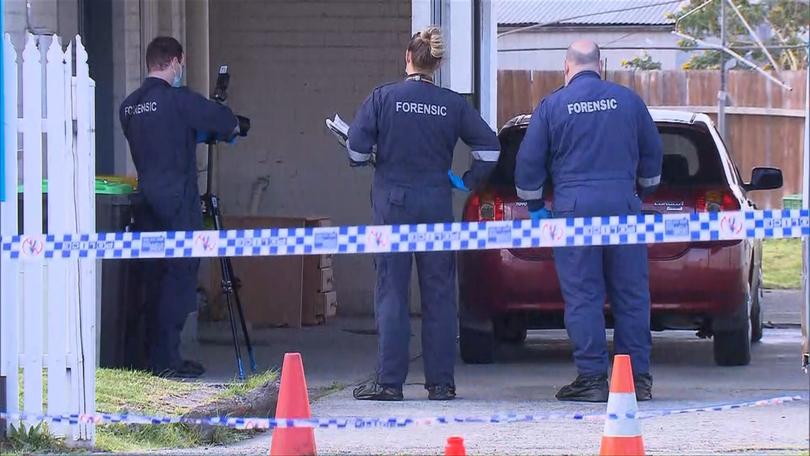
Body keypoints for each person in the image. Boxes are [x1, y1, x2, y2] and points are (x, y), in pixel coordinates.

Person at [347, 26, 501, 401]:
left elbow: (355, 152)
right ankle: (441, 383)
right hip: (435, 204)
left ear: (407, 58)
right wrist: (468, 181)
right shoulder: (452, 104)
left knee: (392, 293)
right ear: (437, 64)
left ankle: (389, 382)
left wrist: (372, 154)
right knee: (439, 294)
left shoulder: (382, 98)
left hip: (393, 205)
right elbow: (491, 148)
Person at [515, 40, 663, 402]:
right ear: (602, 65)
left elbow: (527, 167)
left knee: (584, 297)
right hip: (623, 208)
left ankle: (593, 380)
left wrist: (535, 207)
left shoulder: (552, 106)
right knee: (631, 296)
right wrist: (639, 195)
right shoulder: (628, 101)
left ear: (566, 67)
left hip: (573, 210)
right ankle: (636, 380)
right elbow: (654, 156)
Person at [120, 37, 242, 378]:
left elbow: (161, 137)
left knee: (151, 279)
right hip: (178, 203)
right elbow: (226, 122)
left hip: (145, 201)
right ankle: (167, 362)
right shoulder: (179, 100)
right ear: (176, 61)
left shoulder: (128, 106)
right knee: (179, 279)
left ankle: (146, 358)